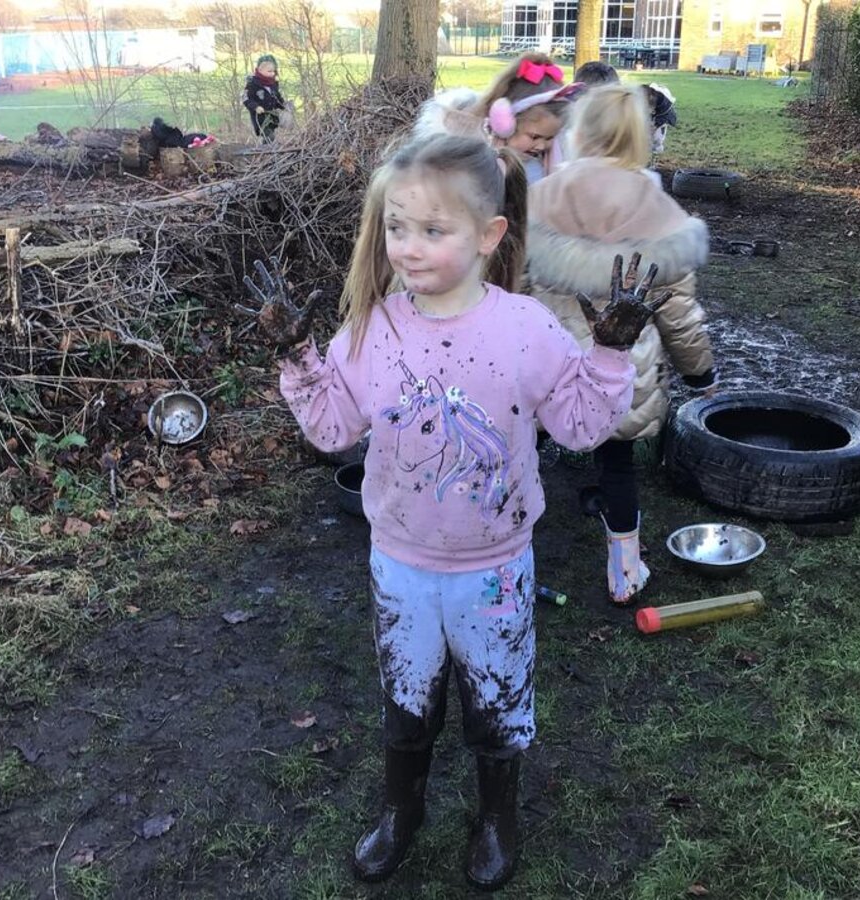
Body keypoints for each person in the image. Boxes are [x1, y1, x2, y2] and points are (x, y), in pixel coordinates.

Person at [242, 133, 666, 890]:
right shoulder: (373, 330)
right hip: (400, 564)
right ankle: (402, 810)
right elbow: (332, 429)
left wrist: (609, 355)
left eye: (433, 230)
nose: (407, 247)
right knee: (407, 697)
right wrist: (297, 359)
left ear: (488, 234)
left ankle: (498, 818)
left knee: (496, 701)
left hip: (495, 569)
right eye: (397, 227)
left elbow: (579, 428)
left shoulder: (525, 328)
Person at [524, 84, 718, 606]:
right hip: (621, 369)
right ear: (640, 136)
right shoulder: (658, 209)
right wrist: (700, 373)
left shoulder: (541, 197)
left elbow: (510, 286)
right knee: (617, 465)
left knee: (521, 454)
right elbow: (677, 311)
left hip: (544, 363)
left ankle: (501, 553)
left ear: (578, 132)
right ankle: (625, 572)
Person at [413, 52, 581, 184]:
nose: (542, 146)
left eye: (549, 138)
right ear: (505, 122)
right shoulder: (475, 161)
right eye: (535, 137)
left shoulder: (545, 165)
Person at [242, 54, 287, 143]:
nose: (272, 73)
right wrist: (256, 107)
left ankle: (266, 147)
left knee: (271, 135)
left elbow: (277, 97)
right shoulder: (252, 83)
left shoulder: (273, 83)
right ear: (260, 70)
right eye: (269, 71)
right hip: (260, 118)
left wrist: (283, 105)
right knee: (268, 135)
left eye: (273, 71)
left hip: (271, 116)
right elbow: (246, 99)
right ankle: (266, 148)